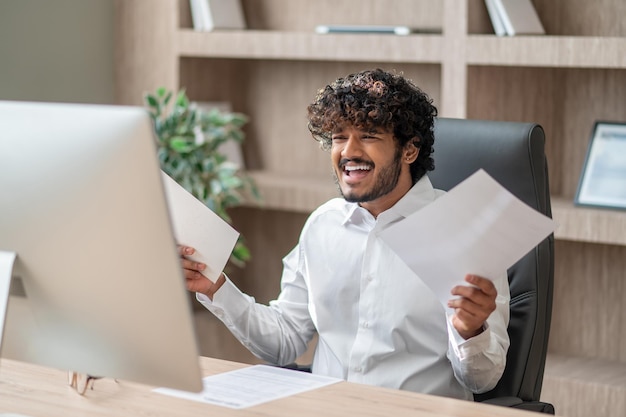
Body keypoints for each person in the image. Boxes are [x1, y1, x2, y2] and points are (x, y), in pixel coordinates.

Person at [179, 68, 510, 400]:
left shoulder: (463, 231)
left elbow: (482, 381)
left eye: (368, 135)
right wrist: (217, 289)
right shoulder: (323, 225)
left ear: (409, 150)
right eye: (339, 136)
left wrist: (471, 330)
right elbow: (285, 341)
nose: (348, 151)